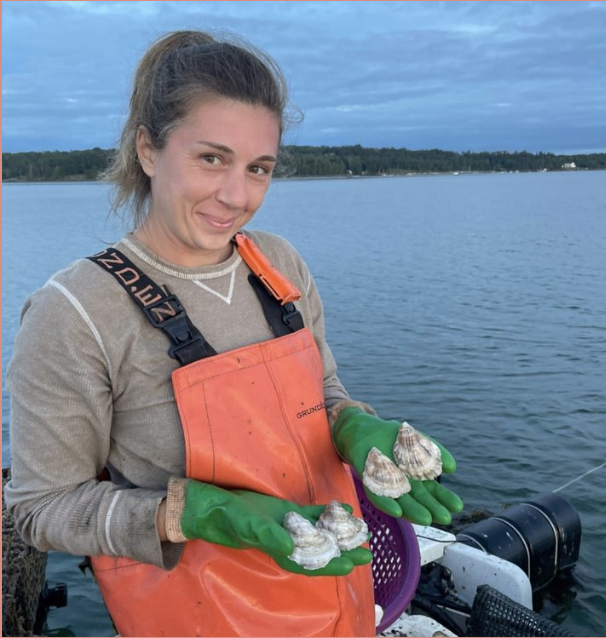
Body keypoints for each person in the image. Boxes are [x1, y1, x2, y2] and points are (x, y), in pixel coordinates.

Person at [5, 30, 463, 637]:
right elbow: (41, 507)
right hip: (198, 615)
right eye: (211, 158)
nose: (237, 196)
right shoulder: (76, 311)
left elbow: (320, 393)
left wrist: (352, 423)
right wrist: (199, 511)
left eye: (259, 168)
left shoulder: (277, 265)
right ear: (148, 149)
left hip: (338, 599)